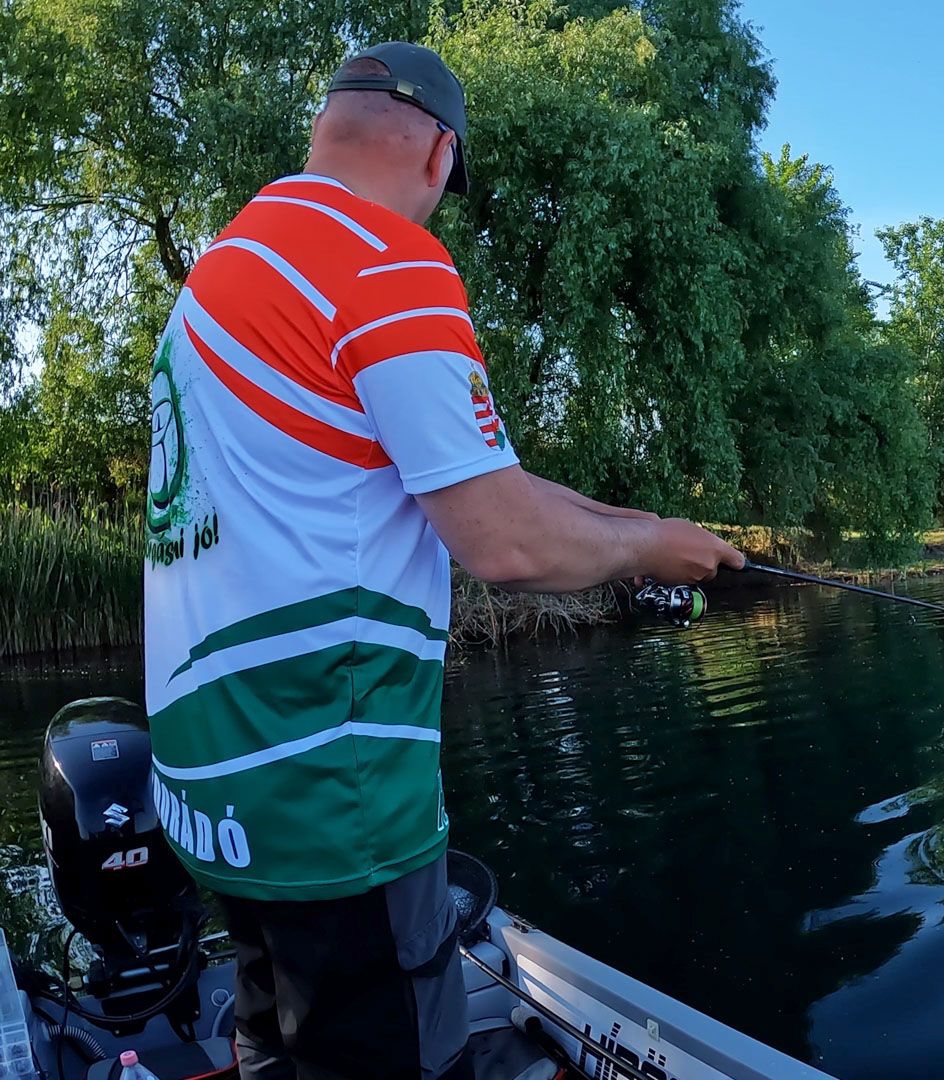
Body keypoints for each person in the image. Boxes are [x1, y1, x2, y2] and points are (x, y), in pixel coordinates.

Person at [140, 41, 743, 1079]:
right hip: (336, 791)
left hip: (216, 791)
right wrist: (646, 546)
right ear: (438, 157)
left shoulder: (223, 277)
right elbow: (504, 541)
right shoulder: (384, 260)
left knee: (274, 1044)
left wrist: (634, 519)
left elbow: (474, 480)